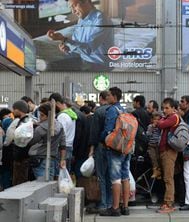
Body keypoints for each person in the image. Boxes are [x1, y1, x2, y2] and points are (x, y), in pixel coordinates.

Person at [46, 0, 114, 71]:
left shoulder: (101, 19)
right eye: (71, 8)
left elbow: (88, 49)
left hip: (99, 65)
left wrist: (64, 39)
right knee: (50, 66)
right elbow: (79, 46)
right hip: (83, 60)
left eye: (74, 6)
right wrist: (68, 48)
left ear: (86, 1)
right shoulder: (81, 20)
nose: (73, 11)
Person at [99, 87, 131, 217]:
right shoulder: (123, 109)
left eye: (109, 95)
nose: (107, 97)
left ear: (114, 96)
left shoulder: (112, 110)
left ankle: (115, 208)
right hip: (126, 147)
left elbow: (108, 130)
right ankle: (126, 207)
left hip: (115, 148)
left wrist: (101, 138)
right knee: (125, 177)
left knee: (115, 179)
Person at [27, 103, 66, 180]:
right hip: (52, 158)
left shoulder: (40, 129)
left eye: (42, 115)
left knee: (40, 184)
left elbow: (31, 142)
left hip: (39, 157)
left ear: (48, 116)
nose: (40, 118)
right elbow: (63, 144)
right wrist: (62, 159)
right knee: (49, 182)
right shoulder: (60, 126)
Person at [88, 91, 112, 213]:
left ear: (100, 98)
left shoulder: (99, 112)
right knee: (111, 176)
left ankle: (103, 204)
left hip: (102, 146)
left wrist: (91, 150)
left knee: (101, 176)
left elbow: (94, 133)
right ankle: (111, 202)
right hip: (115, 147)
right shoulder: (117, 110)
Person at [156, 98, 181, 213]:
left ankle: (169, 203)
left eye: (167, 108)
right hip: (164, 150)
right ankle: (167, 202)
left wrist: (160, 121)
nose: (164, 110)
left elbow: (160, 125)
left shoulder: (174, 117)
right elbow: (160, 123)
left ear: (173, 108)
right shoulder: (168, 117)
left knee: (168, 178)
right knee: (166, 177)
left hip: (169, 151)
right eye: (163, 108)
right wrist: (161, 121)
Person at [49, 93, 77, 173]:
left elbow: (59, 133)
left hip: (61, 149)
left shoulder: (62, 116)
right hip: (69, 146)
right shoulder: (71, 114)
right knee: (65, 174)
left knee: (59, 175)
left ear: (56, 103)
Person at [146, 112, 162, 179]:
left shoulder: (160, 127)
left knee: (158, 158)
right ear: (152, 120)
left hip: (158, 145)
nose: (156, 121)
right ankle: (155, 171)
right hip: (151, 145)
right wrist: (152, 127)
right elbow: (148, 134)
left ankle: (159, 172)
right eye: (155, 119)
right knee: (153, 158)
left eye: (158, 119)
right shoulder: (150, 126)